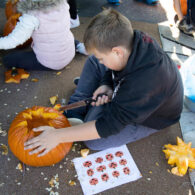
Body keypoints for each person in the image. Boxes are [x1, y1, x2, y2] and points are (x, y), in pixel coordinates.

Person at [24, 8, 184, 156]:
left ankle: (100, 104)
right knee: (94, 60)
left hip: (150, 118)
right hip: (131, 89)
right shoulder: (129, 41)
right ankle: (76, 111)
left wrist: (57, 136)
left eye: (104, 59)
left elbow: (108, 126)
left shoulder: (143, 84)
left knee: (93, 141)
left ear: (117, 52)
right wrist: (106, 83)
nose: (102, 62)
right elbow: (111, 66)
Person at [0, 0, 85, 71]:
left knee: (8, 59)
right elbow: (70, 24)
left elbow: (14, 40)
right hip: (70, 51)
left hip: (52, 62)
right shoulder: (63, 3)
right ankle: (79, 46)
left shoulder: (31, 17)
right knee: (60, 35)